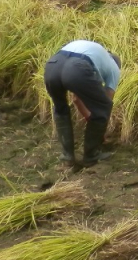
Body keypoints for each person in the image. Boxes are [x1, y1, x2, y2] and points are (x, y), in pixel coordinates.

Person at [45, 40, 120, 168]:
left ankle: (67, 156)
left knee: (60, 109)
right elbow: (104, 106)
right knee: (104, 106)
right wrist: (99, 133)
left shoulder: (95, 54)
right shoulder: (114, 67)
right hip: (76, 67)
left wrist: (88, 117)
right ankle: (91, 155)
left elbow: (76, 99)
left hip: (53, 65)